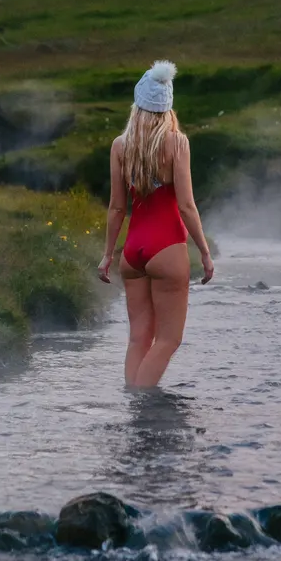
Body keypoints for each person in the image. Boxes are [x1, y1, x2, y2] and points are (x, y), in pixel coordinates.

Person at [97, 60, 214, 388]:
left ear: (137, 105)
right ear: (168, 107)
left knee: (138, 339)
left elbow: (117, 207)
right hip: (167, 247)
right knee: (168, 340)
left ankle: (131, 407)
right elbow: (187, 206)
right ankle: (141, 407)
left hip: (133, 252)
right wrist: (204, 252)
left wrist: (107, 255)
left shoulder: (120, 146)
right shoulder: (177, 143)